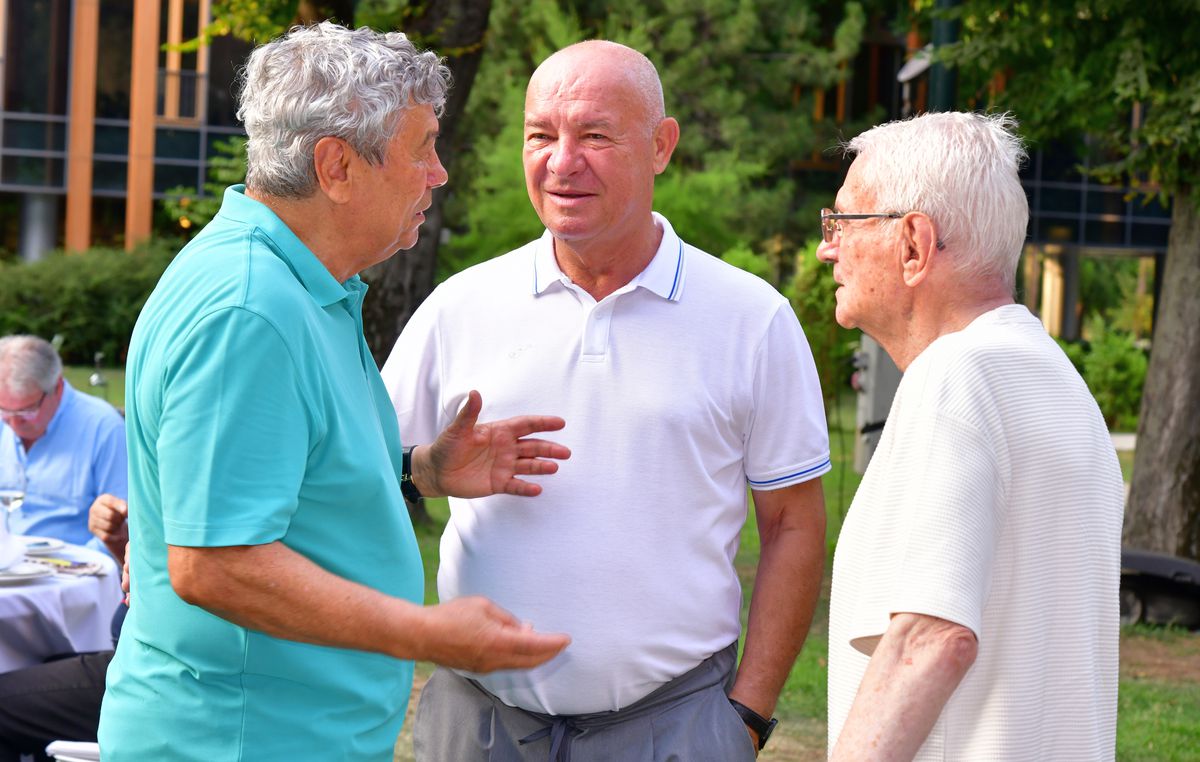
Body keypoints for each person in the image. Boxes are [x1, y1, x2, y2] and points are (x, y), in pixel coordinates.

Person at [97, 23, 570, 761]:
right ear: (337, 166)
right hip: (238, 743)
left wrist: (419, 470)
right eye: (422, 149)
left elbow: (281, 481)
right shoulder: (250, 310)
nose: (439, 174)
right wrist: (427, 633)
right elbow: (214, 562)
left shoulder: (299, 286)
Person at [383, 40, 830, 761]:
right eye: (541, 135)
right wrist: (428, 471)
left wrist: (746, 717)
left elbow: (794, 525)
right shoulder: (458, 307)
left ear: (661, 146)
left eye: (594, 135)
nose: (562, 162)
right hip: (479, 727)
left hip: (674, 727)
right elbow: (361, 474)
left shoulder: (752, 319)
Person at [818, 112, 1124, 760]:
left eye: (842, 221)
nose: (827, 248)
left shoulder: (957, 376)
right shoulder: (1059, 384)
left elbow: (931, 637)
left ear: (913, 245)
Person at [0, 335, 126, 554]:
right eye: (4, 410)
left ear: (56, 388)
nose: (13, 423)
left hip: (73, 566)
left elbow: (121, 526)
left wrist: (72, 564)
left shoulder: (103, 428)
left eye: (26, 411)